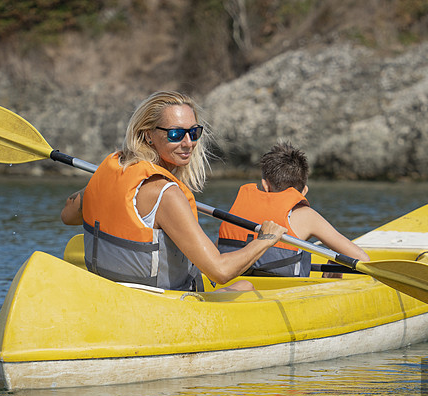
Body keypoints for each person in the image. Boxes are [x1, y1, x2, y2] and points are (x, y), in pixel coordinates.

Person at [59, 90, 286, 292]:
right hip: (160, 306)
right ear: (148, 134)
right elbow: (220, 271)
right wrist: (265, 240)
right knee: (245, 286)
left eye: (194, 132)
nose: (188, 143)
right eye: (176, 134)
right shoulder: (166, 194)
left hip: (114, 293)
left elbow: (68, 215)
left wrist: (103, 181)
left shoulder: (112, 171)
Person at [217, 142, 369, 277]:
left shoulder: (238, 211)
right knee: (337, 265)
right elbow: (362, 260)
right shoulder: (306, 216)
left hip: (233, 288)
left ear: (265, 185)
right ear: (304, 191)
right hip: (283, 297)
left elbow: (216, 256)